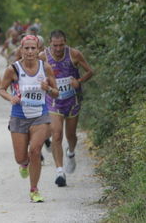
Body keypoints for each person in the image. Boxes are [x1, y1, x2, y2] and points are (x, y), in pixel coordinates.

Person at [0, 35, 58, 203]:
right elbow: (1, 89)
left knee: (35, 150)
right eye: (27, 48)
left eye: (33, 48)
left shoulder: (45, 68)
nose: (30, 51)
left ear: (39, 50)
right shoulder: (13, 69)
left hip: (40, 115)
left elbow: (56, 92)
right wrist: (10, 97)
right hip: (19, 116)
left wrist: (48, 88)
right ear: (21, 50)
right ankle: (24, 164)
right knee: (21, 157)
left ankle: (34, 189)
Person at [39, 30, 93, 187]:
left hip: (72, 100)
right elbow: (34, 72)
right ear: (50, 43)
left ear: (65, 42)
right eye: (55, 45)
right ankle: (59, 171)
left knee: (71, 135)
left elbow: (90, 71)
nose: (58, 48)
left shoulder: (74, 54)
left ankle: (71, 153)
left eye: (61, 44)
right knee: (56, 135)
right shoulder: (43, 56)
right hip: (53, 101)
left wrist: (79, 80)